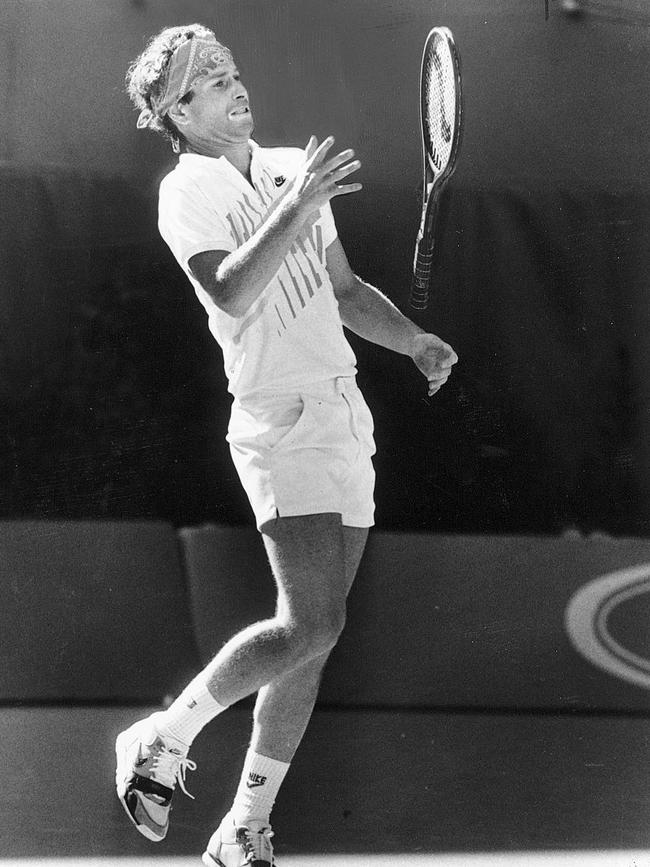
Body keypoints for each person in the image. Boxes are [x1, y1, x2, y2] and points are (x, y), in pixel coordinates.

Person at [119, 23, 457, 867]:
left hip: (344, 412)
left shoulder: (279, 164)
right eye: (213, 80)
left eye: (235, 69)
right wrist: (298, 203)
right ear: (177, 108)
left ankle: (244, 826)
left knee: (317, 635)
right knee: (310, 620)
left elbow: (342, 290)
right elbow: (231, 292)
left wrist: (414, 340)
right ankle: (163, 733)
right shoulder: (185, 188)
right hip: (277, 414)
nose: (236, 85)